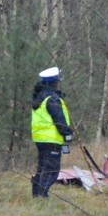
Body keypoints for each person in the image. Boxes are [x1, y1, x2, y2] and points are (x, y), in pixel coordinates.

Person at [30, 67, 73, 198]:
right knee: (51, 170)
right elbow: (59, 119)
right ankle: (41, 196)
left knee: (42, 168)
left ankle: (37, 194)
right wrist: (68, 134)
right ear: (54, 82)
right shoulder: (52, 99)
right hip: (52, 139)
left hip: (40, 139)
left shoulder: (39, 97)